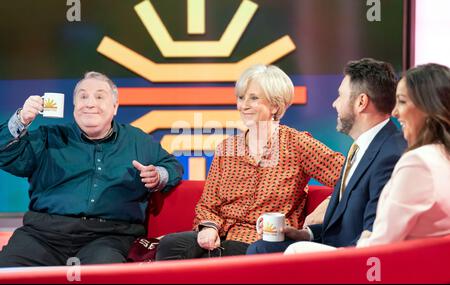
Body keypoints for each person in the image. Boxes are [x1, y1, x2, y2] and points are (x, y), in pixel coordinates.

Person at [155, 64, 345, 260]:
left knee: (240, 254)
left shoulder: (297, 144)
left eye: (253, 98)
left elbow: (351, 174)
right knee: (171, 245)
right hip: (220, 237)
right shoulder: (226, 148)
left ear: (275, 106)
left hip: (262, 242)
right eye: (240, 97)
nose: (243, 105)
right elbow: (208, 204)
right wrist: (208, 228)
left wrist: (324, 210)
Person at [0, 71, 183, 267]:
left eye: (99, 96)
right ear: (74, 106)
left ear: (115, 107)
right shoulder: (49, 136)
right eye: (83, 96)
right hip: (43, 234)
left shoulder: (138, 141)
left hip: (109, 237)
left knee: (103, 271)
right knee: (9, 270)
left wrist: (158, 176)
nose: (90, 103)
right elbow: (5, 154)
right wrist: (22, 119)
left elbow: (173, 166)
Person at [247, 58, 407, 255]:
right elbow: (342, 223)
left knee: (265, 251)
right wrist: (305, 234)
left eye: (340, 96)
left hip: (352, 257)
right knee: (263, 247)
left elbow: (373, 235)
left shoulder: (390, 155)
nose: (334, 104)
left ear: (361, 102)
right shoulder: (362, 146)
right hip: (331, 244)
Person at [355, 63, 450, 247]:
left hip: (390, 270)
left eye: (402, 101)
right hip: (429, 268)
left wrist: (365, 239)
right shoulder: (442, 156)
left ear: (430, 106)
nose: (394, 112)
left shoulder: (418, 163)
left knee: (297, 249)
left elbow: (380, 247)